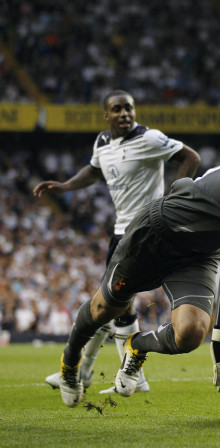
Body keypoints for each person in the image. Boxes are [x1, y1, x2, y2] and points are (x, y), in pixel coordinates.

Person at [55, 123, 220, 407]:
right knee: (103, 309)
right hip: (157, 235)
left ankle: (135, 346)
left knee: (190, 333)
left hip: (199, 253)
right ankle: (69, 365)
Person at [35, 90, 201, 395]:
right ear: (106, 115)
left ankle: (99, 373)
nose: (125, 113)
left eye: (129, 108)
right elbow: (95, 170)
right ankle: (122, 376)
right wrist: (66, 185)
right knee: (111, 307)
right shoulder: (102, 142)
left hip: (144, 232)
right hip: (121, 232)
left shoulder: (149, 138)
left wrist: (173, 197)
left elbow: (190, 157)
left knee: (106, 305)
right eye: (117, 109)